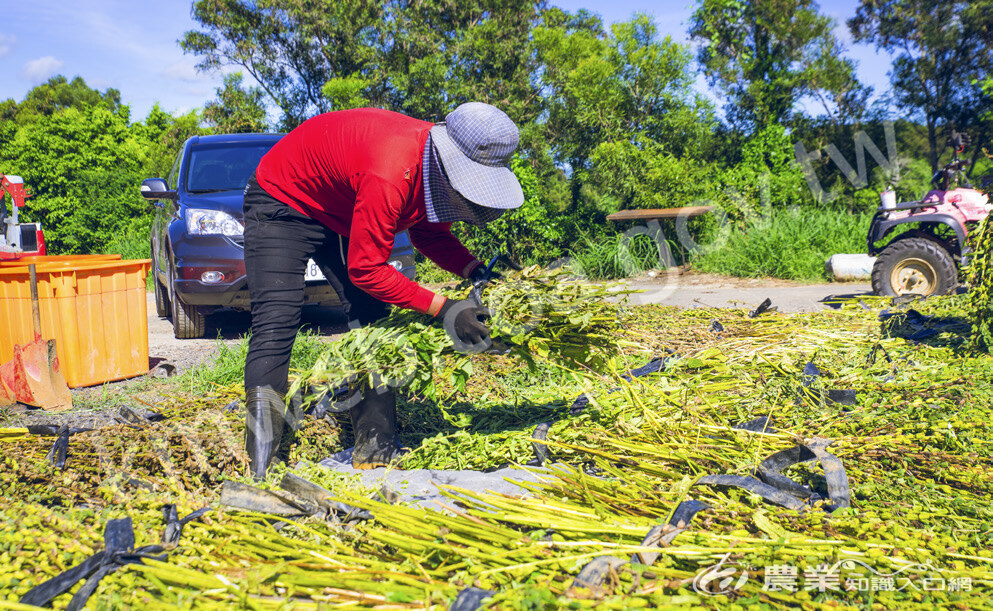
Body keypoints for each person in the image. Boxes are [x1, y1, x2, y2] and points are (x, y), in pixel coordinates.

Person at [241, 102, 524, 478]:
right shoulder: (393, 170)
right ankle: (263, 468)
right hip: (283, 199)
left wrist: (474, 270)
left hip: (340, 206)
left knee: (374, 324)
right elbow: (366, 269)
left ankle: (376, 449)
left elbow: (427, 234)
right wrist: (444, 308)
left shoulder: (429, 169)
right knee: (277, 323)